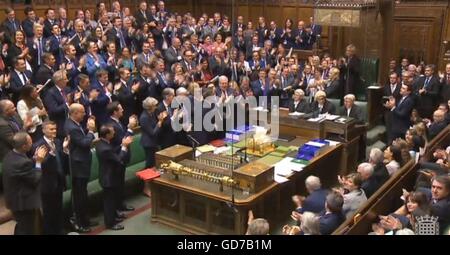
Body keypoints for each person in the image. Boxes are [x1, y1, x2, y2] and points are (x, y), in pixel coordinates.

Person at [2, 132, 48, 235]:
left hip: (14, 201)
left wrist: (33, 159)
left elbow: (22, 168)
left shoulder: (10, 155)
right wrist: (38, 162)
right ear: (24, 146)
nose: (32, 143)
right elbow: (35, 179)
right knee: (29, 229)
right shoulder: (22, 162)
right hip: (24, 204)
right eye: (30, 142)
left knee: (22, 226)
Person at [64, 103, 96, 233]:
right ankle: (80, 222)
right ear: (75, 113)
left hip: (81, 164)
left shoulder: (72, 123)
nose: (84, 114)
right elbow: (84, 143)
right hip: (78, 166)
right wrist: (91, 131)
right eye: (82, 112)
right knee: (79, 195)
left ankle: (85, 219)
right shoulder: (73, 128)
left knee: (82, 194)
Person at [32, 121, 67, 235]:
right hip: (47, 184)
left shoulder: (57, 142)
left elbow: (60, 160)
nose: (54, 131)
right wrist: (51, 155)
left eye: (55, 129)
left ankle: (59, 231)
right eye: (51, 129)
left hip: (58, 181)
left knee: (58, 209)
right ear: (43, 130)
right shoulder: (38, 145)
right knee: (49, 212)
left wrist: (65, 150)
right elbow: (39, 164)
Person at [96, 125, 132, 230]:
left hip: (109, 176)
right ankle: (110, 223)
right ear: (107, 135)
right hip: (108, 178)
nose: (114, 133)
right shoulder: (105, 148)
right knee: (109, 202)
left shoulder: (101, 143)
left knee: (112, 199)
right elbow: (118, 159)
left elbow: (112, 151)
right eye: (112, 132)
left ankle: (113, 217)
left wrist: (121, 145)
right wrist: (124, 147)